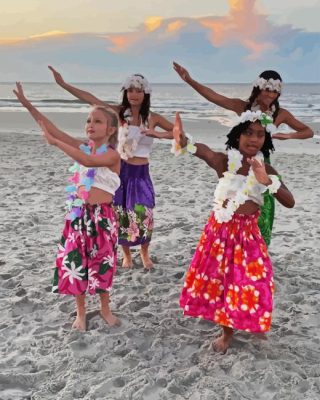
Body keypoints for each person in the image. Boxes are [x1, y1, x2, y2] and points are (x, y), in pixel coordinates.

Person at [172, 110, 295, 353]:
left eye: (260, 134)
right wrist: (183, 140)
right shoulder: (225, 162)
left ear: (265, 140)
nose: (254, 138)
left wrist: (267, 182)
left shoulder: (266, 169)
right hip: (220, 233)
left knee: (258, 281)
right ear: (237, 136)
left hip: (248, 234)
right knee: (223, 283)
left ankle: (255, 320)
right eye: (248, 133)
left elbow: (289, 201)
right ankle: (226, 333)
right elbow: (203, 151)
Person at [13, 82, 121, 331]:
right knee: (76, 262)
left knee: (102, 263)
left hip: (102, 217)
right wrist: (28, 105)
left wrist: (56, 143)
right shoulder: (83, 147)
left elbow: (88, 160)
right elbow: (54, 130)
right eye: (88, 120)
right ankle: (80, 312)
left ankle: (105, 309)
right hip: (78, 214)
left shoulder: (112, 155)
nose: (90, 124)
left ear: (111, 129)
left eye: (97, 121)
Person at [173, 62, 312, 246]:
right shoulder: (242, 106)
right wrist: (190, 80)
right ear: (258, 88)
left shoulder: (281, 114)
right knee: (234, 203)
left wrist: (287, 135)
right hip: (238, 162)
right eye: (267, 89)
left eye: (275, 91)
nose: (271, 94)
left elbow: (307, 131)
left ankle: (259, 251)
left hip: (262, 164)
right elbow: (215, 97)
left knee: (264, 212)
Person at [48, 66, 174, 269]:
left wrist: (159, 134)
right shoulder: (117, 113)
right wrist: (63, 84)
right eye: (130, 90)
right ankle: (126, 255)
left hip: (141, 174)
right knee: (121, 213)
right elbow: (90, 99)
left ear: (145, 93)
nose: (134, 94)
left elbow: (178, 133)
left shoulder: (153, 118)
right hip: (121, 171)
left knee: (143, 214)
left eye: (138, 90)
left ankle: (144, 252)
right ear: (126, 92)